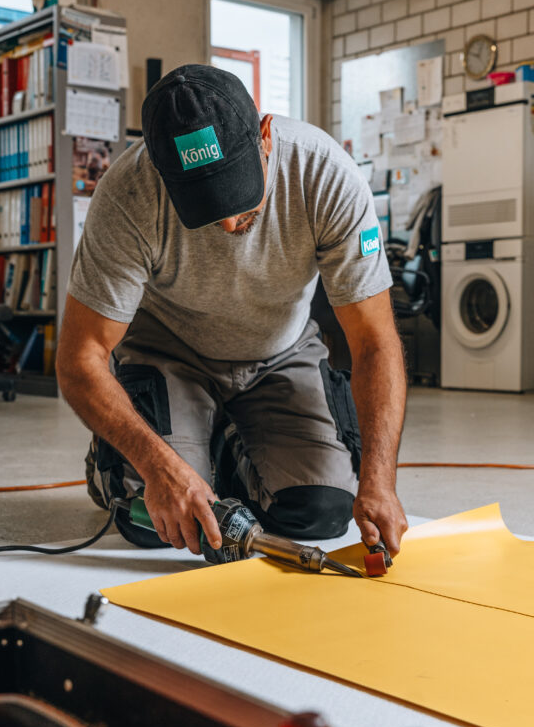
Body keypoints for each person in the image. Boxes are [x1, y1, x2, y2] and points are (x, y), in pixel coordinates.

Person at [56, 64, 408, 559]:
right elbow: (80, 358)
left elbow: (374, 340)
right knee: (161, 524)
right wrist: (157, 466)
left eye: (238, 192)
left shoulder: (325, 175)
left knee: (322, 511)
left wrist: (379, 481)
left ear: (265, 136)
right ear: (159, 168)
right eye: (203, 204)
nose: (226, 223)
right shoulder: (127, 194)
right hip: (168, 353)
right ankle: (125, 459)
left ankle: (220, 445)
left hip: (280, 352)